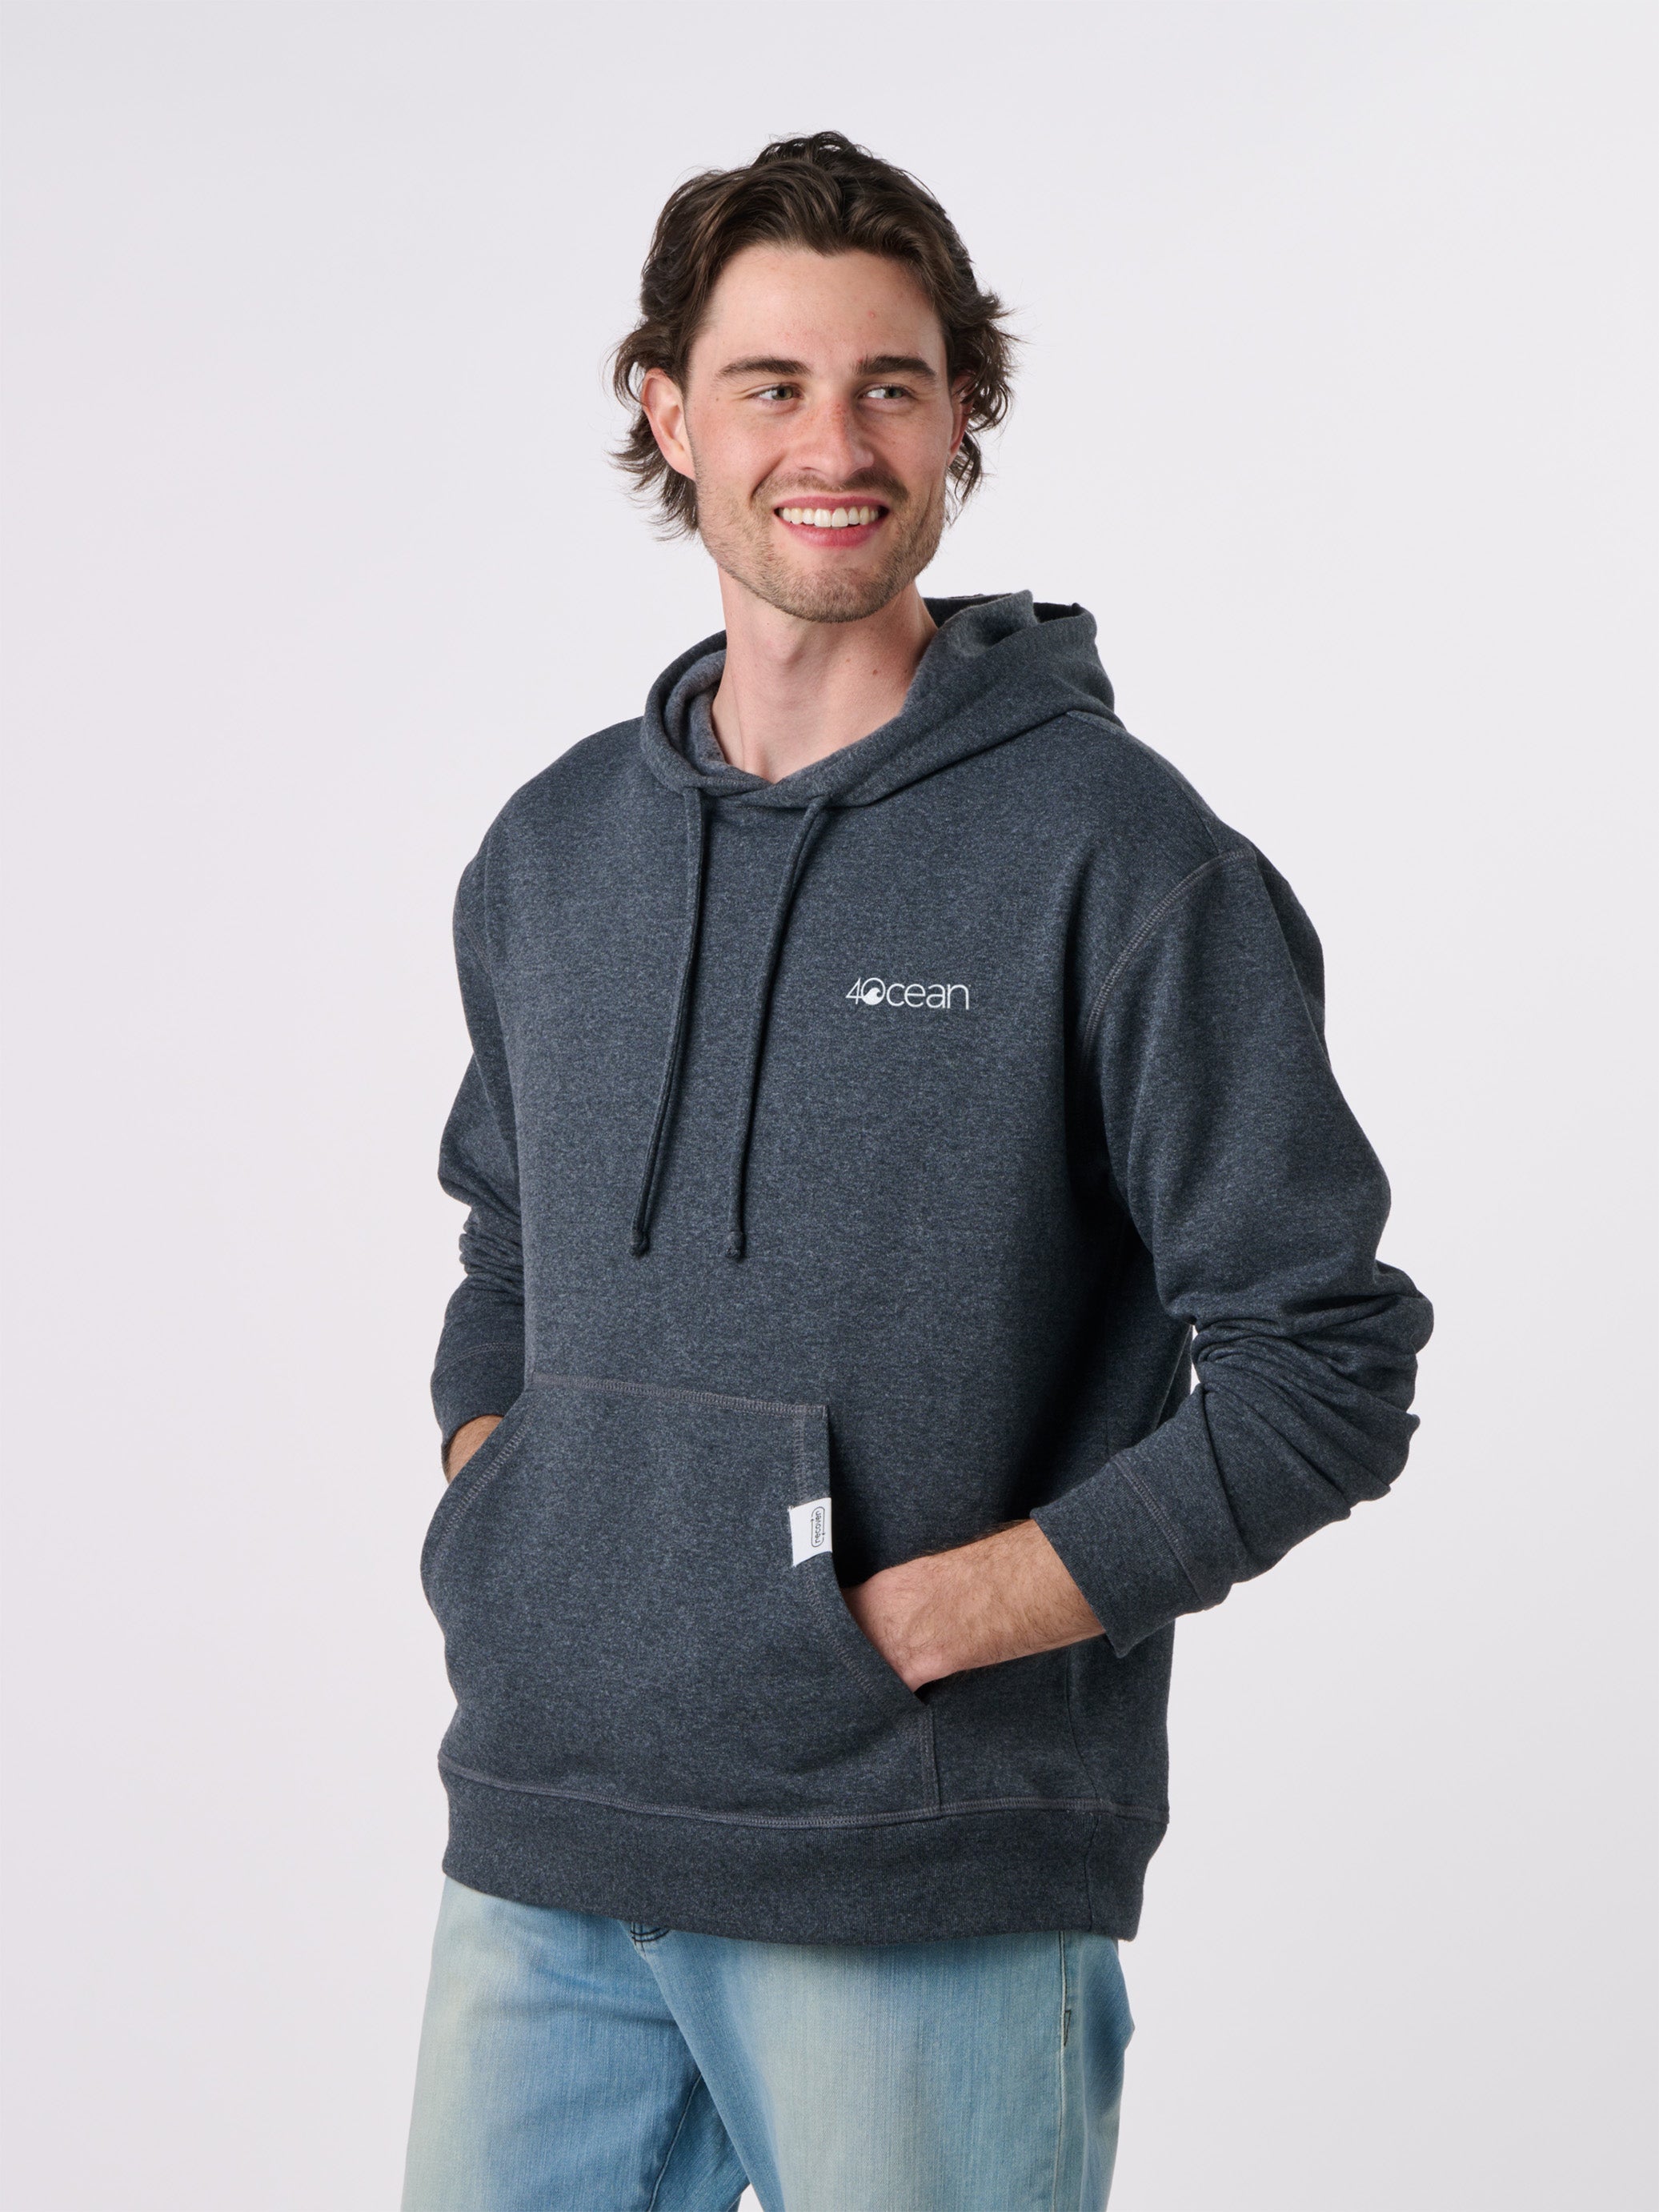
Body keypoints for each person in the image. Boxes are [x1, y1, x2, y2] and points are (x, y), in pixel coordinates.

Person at [400, 130, 1432, 2212]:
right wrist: (504, 1492)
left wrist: (927, 1620)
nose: (833, 444)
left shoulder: (1116, 856)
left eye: (891, 384)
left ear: (963, 416)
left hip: (917, 1871)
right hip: (544, 1844)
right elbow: (507, 1235)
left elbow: (1325, 1360)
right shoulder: (553, 850)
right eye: (770, 384)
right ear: (667, 413)